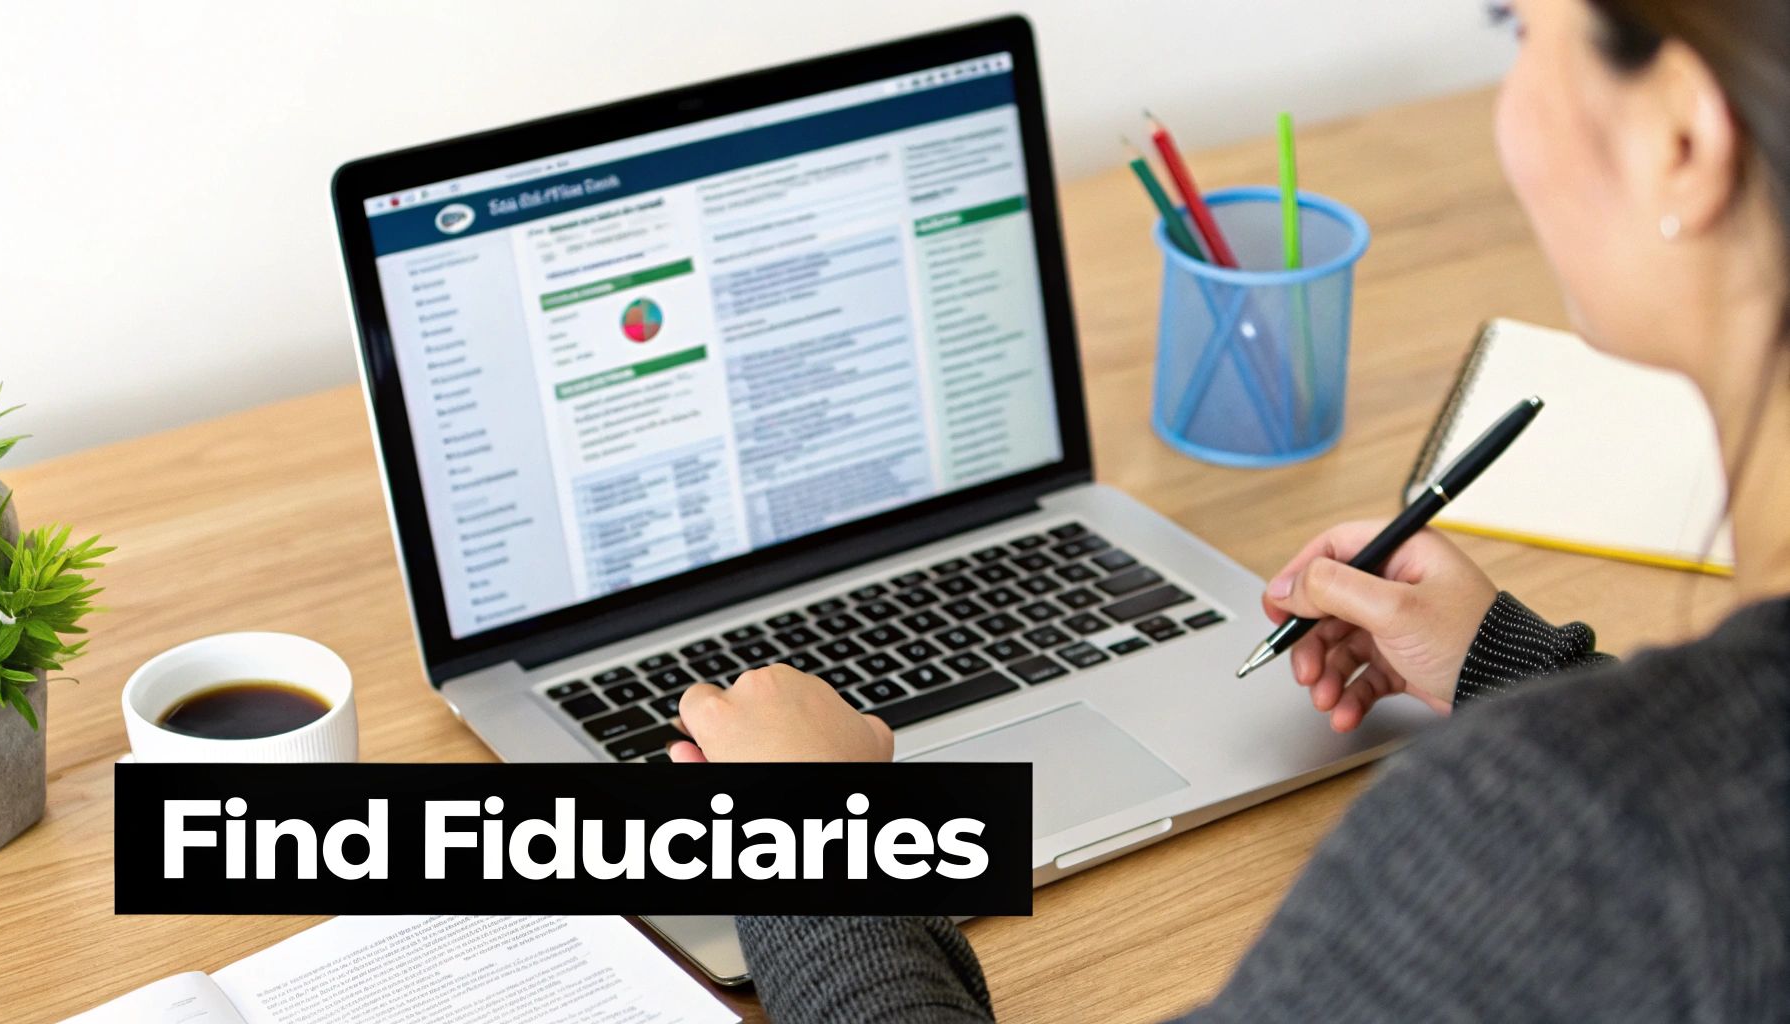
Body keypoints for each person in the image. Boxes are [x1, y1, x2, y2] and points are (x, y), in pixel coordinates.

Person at [668, 0, 1790, 1018]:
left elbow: (1648, 860)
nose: (1505, 102)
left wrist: (804, 831)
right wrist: (1511, 669)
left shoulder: (1546, 834)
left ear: (1678, 140)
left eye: (1517, 31)